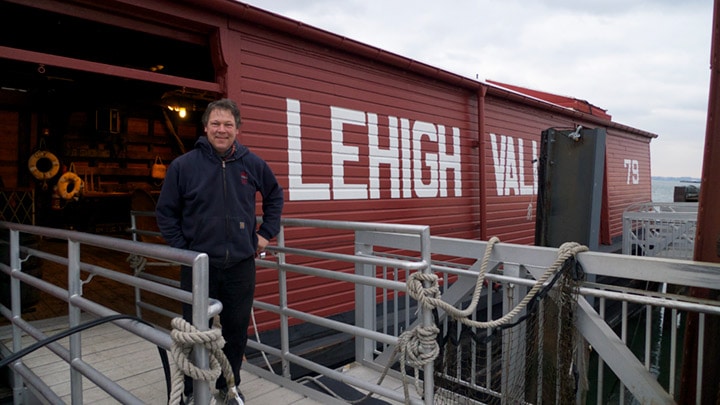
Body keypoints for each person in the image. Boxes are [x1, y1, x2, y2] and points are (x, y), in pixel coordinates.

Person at [156, 98, 284, 404]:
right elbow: (165, 213)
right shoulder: (183, 166)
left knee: (237, 330)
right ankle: (189, 390)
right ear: (205, 128)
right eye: (216, 124)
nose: (222, 130)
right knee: (194, 331)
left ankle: (230, 387)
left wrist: (265, 234)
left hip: (241, 265)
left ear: (238, 128)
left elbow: (274, 196)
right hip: (199, 266)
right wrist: (184, 250)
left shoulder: (252, 164)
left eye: (228, 124)